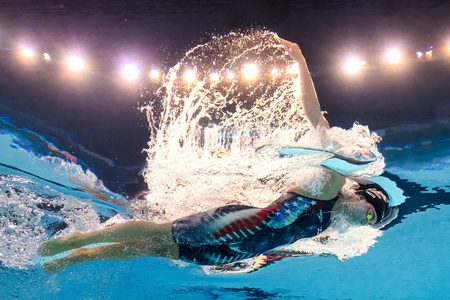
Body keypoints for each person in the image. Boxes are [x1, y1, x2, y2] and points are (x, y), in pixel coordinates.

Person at [38, 38, 396, 273]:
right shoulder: (331, 181)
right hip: (238, 223)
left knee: (154, 250)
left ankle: (77, 258)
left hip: (236, 251)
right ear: (363, 197)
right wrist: (300, 59)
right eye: (370, 215)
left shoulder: (332, 226)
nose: (365, 224)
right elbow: (313, 113)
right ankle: (77, 240)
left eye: (372, 223)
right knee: (161, 233)